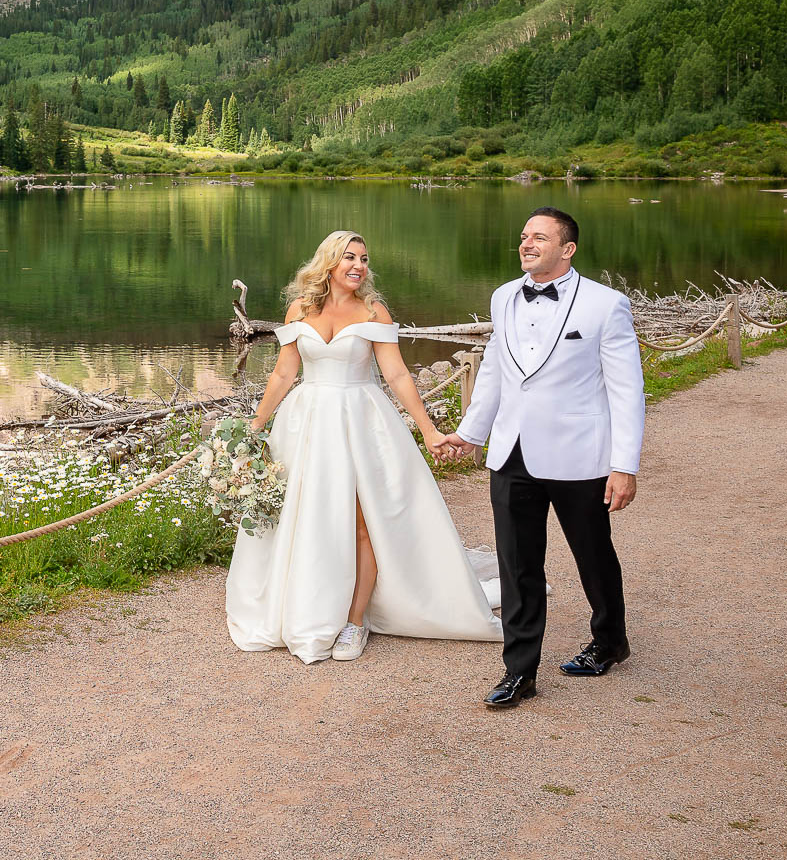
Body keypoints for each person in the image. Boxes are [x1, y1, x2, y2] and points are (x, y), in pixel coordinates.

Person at [226, 230, 502, 663]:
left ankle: (355, 622)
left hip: (361, 420)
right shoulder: (300, 309)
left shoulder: (374, 310)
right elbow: (283, 374)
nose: (359, 265)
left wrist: (428, 430)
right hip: (307, 422)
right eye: (349, 257)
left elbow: (397, 376)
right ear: (329, 263)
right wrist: (256, 424)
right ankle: (306, 604)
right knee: (306, 516)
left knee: (362, 521)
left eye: (364, 259)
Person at [442, 206, 644, 709]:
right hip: (512, 452)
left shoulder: (606, 304)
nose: (526, 244)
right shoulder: (503, 296)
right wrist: (472, 432)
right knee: (517, 564)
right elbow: (493, 369)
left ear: (567, 249)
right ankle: (520, 672)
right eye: (523, 237)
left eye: (539, 237)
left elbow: (626, 390)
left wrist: (625, 465)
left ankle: (610, 641)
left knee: (593, 555)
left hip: (581, 455)